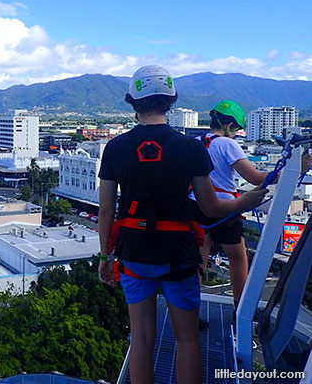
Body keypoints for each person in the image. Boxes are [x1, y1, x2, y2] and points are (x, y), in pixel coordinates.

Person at [97, 65, 266, 384]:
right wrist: (245, 201)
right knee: (187, 338)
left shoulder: (116, 148)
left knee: (142, 339)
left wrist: (106, 258)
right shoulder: (190, 147)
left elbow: (107, 211)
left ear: (133, 103)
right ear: (170, 101)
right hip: (179, 252)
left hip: (134, 253)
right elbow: (210, 207)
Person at [189, 100, 312, 315]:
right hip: (224, 208)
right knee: (238, 256)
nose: (236, 134)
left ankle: (191, 310)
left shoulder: (195, 142)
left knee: (200, 255)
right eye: (236, 129)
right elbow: (256, 177)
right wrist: (294, 171)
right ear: (229, 126)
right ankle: (241, 310)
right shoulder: (228, 145)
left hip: (195, 204)